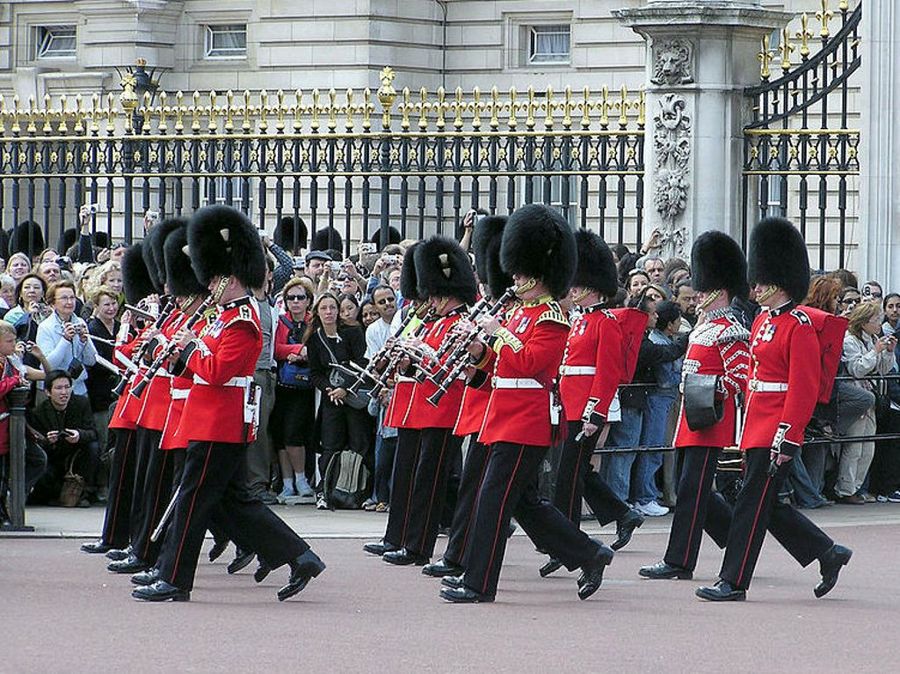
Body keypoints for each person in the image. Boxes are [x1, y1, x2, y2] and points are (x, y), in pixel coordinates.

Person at [134, 204, 325, 603]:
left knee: (192, 500)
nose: (210, 283)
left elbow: (219, 371)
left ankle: (174, 578)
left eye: (216, 277)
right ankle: (300, 556)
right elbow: (200, 368)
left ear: (232, 279)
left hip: (220, 420)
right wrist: (175, 356)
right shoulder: (223, 316)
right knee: (233, 500)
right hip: (209, 418)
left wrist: (187, 352)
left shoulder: (242, 320)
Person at [440, 204, 614, 603]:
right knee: (525, 504)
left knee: (492, 502)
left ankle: (478, 584)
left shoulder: (551, 318)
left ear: (540, 272)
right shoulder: (520, 313)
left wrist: (498, 333)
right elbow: (500, 367)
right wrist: (477, 354)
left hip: (526, 421)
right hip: (502, 415)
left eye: (520, 271)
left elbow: (532, 366)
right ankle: (590, 553)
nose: (514, 276)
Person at [696, 217, 852, 602]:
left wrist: (788, 436)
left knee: (751, 506)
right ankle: (827, 552)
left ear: (779, 281)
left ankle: (732, 581)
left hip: (777, 429)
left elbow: (803, 387)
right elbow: (752, 376)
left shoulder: (798, 326)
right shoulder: (764, 319)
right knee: (763, 504)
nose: (755, 287)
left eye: (762, 281)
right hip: (756, 424)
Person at [640, 231, 749, 581]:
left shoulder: (730, 329)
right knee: (695, 490)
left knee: (690, 492)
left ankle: (679, 560)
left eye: (703, 289)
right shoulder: (703, 327)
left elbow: (739, 378)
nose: (698, 295)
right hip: (692, 417)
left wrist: (707, 388)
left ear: (719, 291)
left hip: (711, 419)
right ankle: (738, 541)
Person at [537, 230, 647, 579]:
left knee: (568, 478)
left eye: (578, 284)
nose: (572, 289)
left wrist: (595, 413)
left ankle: (565, 543)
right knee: (573, 473)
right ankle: (621, 515)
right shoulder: (579, 319)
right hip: (567, 405)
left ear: (592, 287)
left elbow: (608, 373)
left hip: (585, 408)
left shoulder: (606, 323)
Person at [382, 235, 476, 566]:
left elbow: (449, 367)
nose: (430, 300)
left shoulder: (462, 323)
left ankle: (418, 545)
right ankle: (400, 537)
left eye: (436, 294)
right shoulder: (432, 323)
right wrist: (405, 359)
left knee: (429, 482)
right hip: (418, 407)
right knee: (408, 476)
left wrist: (419, 357)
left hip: (441, 409)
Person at [305, 292, 369, 509]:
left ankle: (357, 491)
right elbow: (315, 373)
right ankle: (325, 490)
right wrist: (330, 389)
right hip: (331, 399)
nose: (329, 312)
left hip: (353, 395)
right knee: (330, 445)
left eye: (333, 307)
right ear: (317, 312)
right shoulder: (314, 338)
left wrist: (345, 387)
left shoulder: (353, 333)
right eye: (324, 308)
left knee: (359, 442)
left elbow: (361, 363)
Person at [836, 301, 896, 503]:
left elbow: (883, 370)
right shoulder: (849, 340)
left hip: (870, 396)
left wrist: (888, 352)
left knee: (868, 446)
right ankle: (845, 489)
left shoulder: (873, 338)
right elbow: (856, 369)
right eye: (875, 320)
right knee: (854, 446)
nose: (879, 324)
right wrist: (875, 352)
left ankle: (858, 486)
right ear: (863, 322)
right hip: (857, 396)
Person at [270, 277, 317, 504]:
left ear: (309, 300)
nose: (296, 302)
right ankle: (287, 483)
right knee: (280, 436)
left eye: (301, 297)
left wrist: (302, 354)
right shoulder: (280, 322)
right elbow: (276, 349)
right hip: (283, 384)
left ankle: (301, 479)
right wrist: (298, 350)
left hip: (305, 387)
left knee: (294, 434)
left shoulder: (313, 322)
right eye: (291, 298)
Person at [27, 370, 99, 506]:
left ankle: (85, 493)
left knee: (93, 447)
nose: (64, 393)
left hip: (77, 453)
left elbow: (93, 432)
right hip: (55, 457)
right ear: (48, 392)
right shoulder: (40, 412)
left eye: (67, 387)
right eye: (58, 388)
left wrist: (79, 434)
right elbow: (38, 442)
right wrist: (48, 441)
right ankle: (53, 495)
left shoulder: (81, 403)